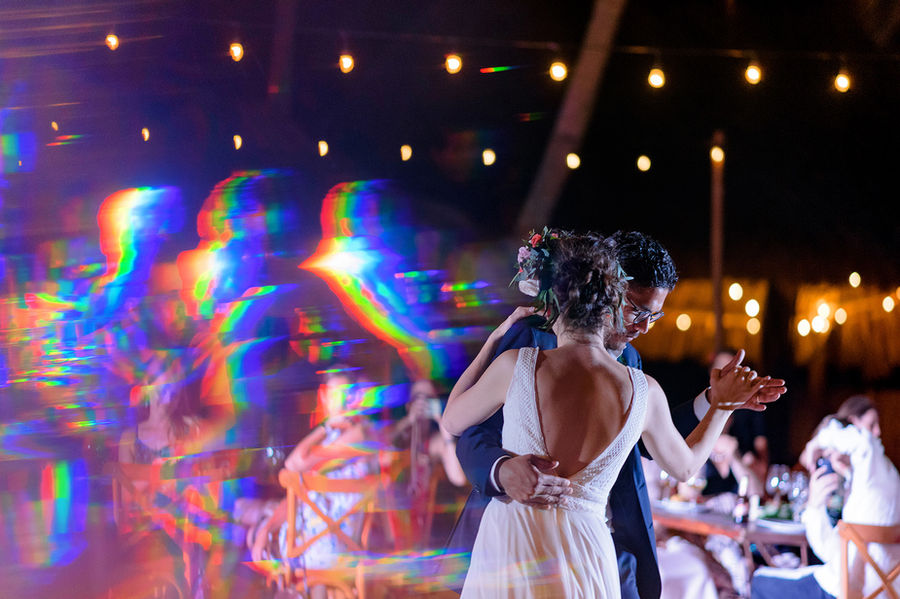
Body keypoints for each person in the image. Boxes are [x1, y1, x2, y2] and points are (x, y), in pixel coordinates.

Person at [448, 230, 786, 598]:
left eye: (654, 317)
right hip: (516, 542)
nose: (642, 327)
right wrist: (501, 470)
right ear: (611, 294)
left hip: (602, 546)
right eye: (637, 311)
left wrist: (713, 400)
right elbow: (472, 434)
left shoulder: (632, 366)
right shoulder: (528, 341)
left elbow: (640, 441)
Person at [750, 396, 899, 599]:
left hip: (843, 591)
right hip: (884, 592)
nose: (877, 433)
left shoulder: (869, 451)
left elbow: (828, 552)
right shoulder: (885, 475)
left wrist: (814, 445)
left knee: (757, 580)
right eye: (872, 425)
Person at [249, 367, 375, 599]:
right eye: (335, 395)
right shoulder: (336, 439)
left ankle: (291, 592)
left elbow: (294, 464)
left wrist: (326, 426)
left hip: (325, 549)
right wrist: (267, 529)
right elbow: (298, 484)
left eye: (345, 395)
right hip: (321, 545)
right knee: (260, 525)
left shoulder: (359, 435)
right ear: (324, 398)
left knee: (253, 523)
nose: (340, 403)